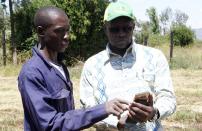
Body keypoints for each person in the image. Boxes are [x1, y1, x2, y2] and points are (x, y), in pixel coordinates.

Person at [18, 6, 129, 131]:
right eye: (59, 31)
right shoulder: (32, 73)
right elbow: (50, 125)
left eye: (68, 30)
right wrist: (103, 109)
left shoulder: (59, 67)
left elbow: (68, 116)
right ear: (41, 32)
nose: (66, 36)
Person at [80, 1, 176, 130]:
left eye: (127, 28)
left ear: (133, 26)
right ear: (105, 29)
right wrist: (117, 122)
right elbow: (89, 111)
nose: (121, 33)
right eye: (114, 29)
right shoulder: (92, 65)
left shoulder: (154, 57)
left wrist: (154, 113)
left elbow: (168, 98)